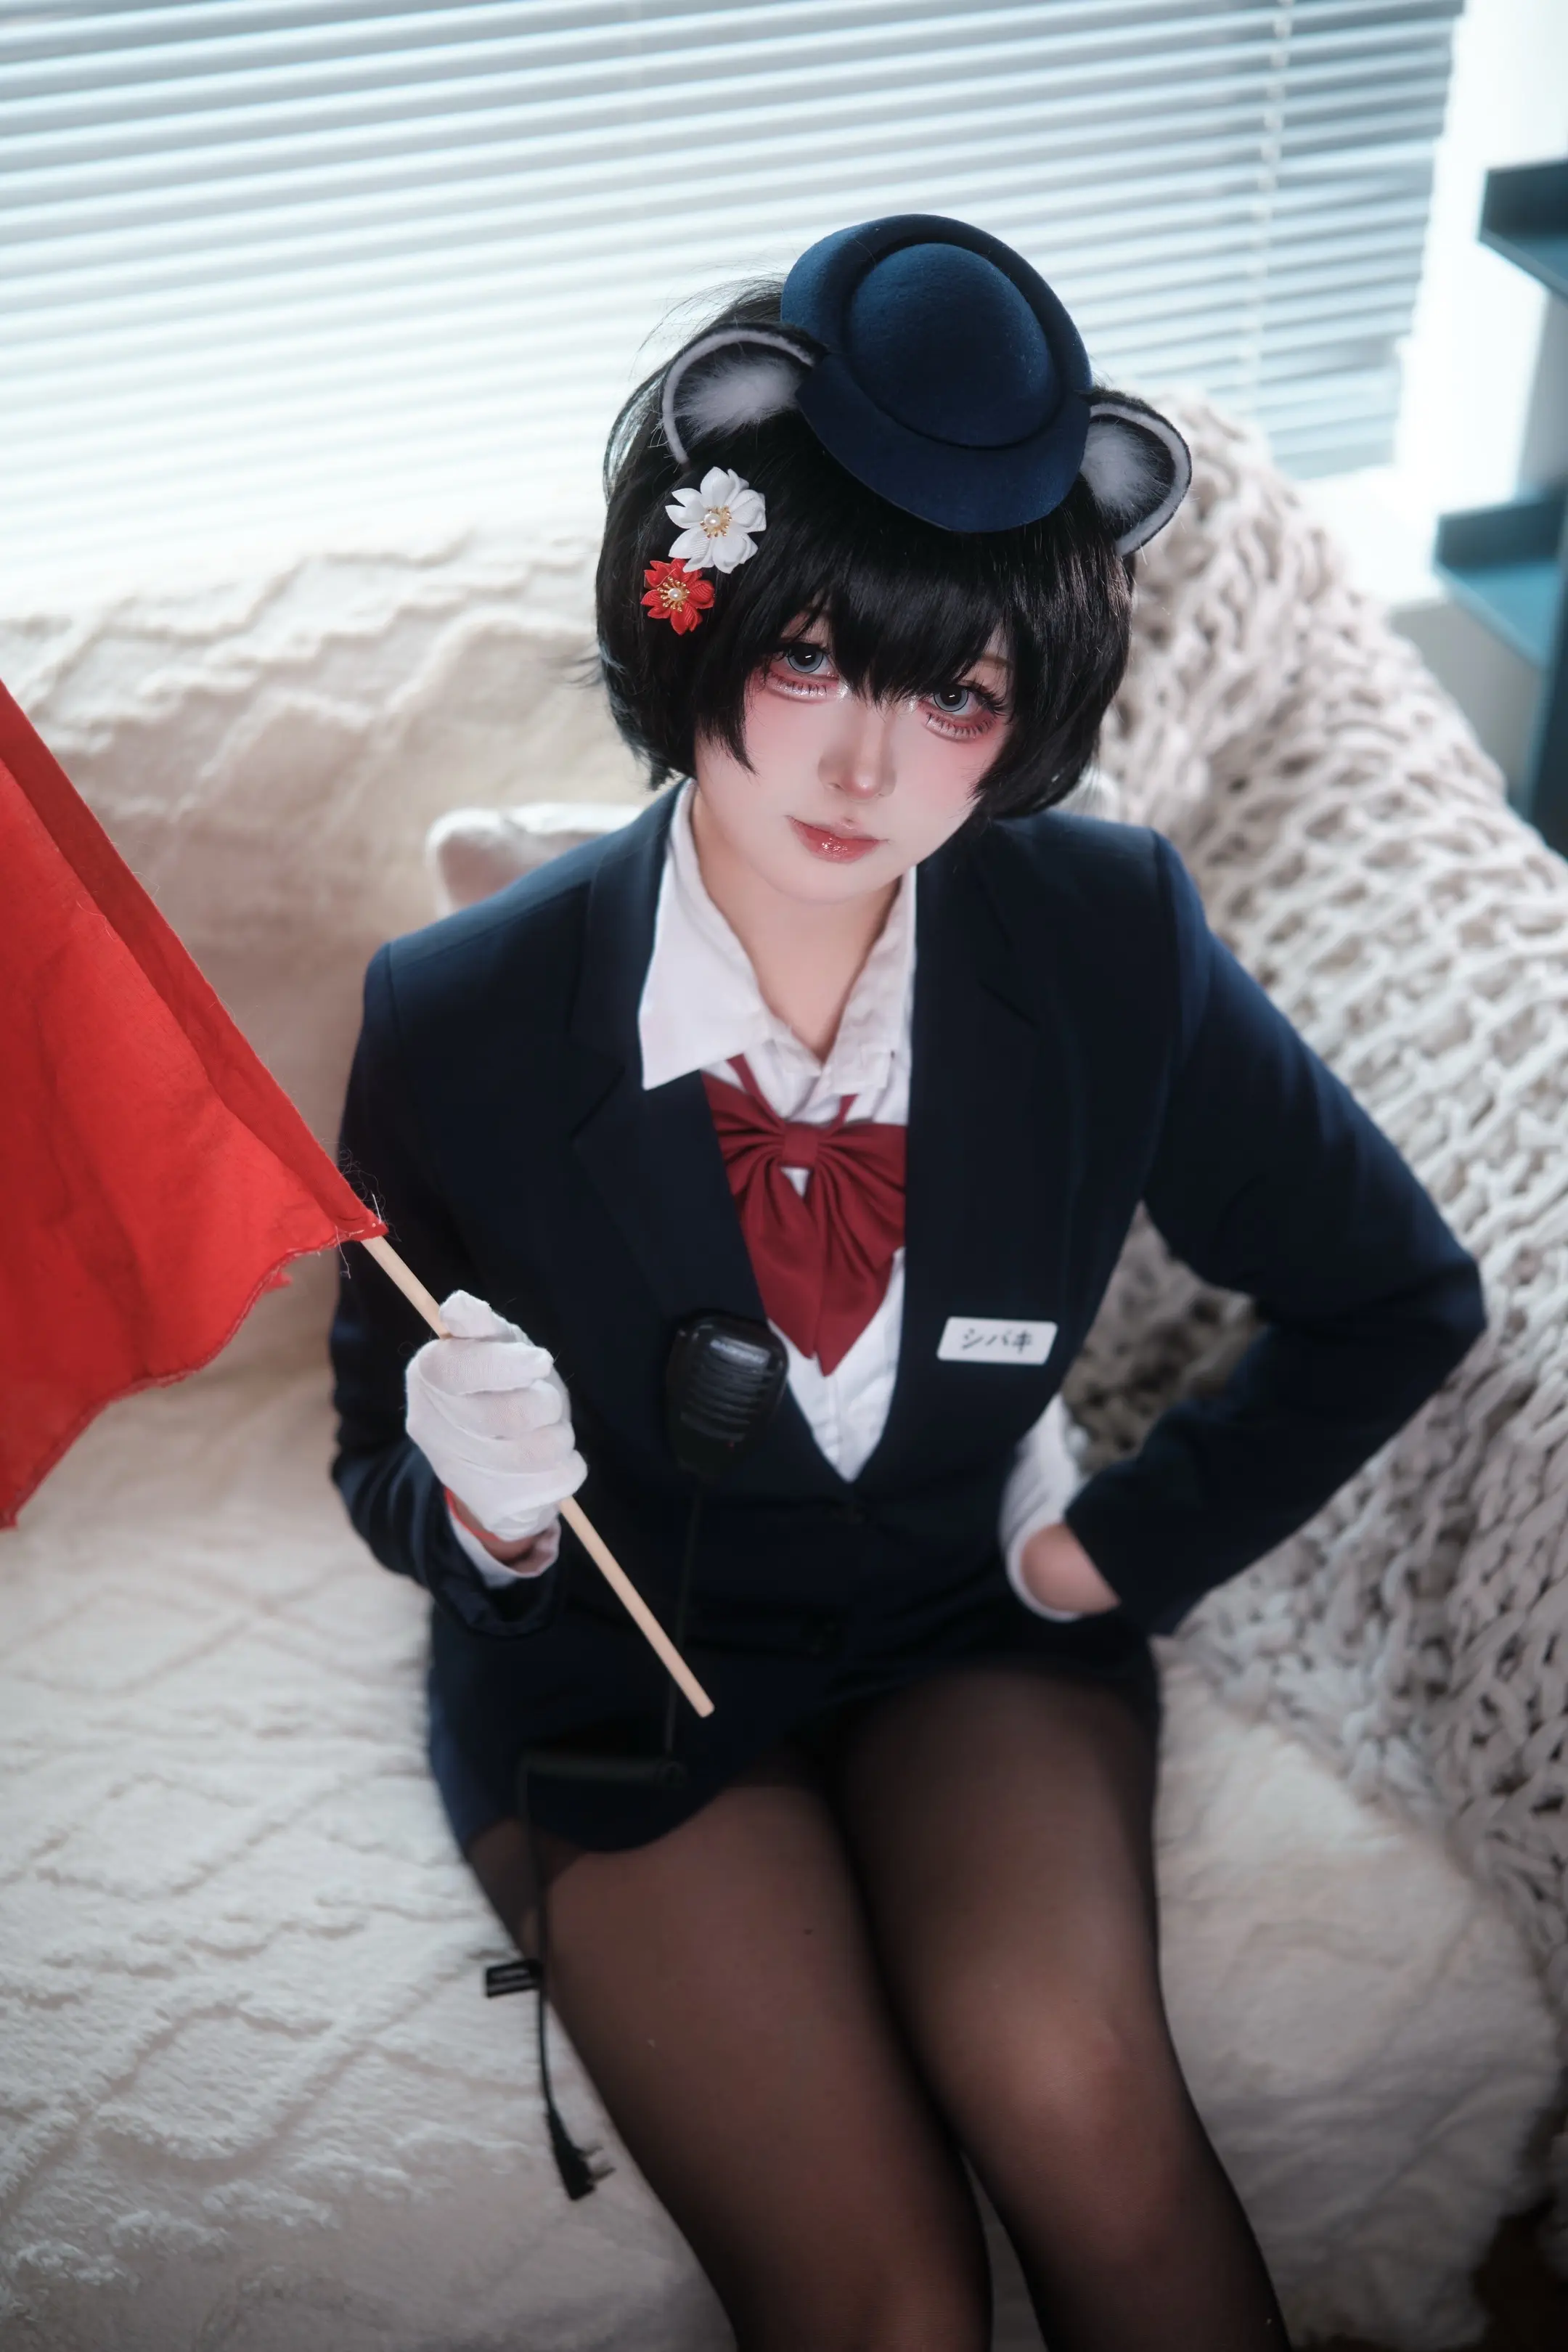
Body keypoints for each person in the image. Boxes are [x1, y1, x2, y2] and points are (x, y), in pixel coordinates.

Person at [329, 216, 1485, 2352]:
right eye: (810, 659)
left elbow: (1395, 1293)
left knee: (1084, 2110)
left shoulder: (1108, 938)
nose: (867, 770)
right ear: (691, 613)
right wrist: (483, 1510)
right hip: (622, 1670)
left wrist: (1112, 1551)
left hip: (971, 1624)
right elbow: (374, 1464)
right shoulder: (459, 1015)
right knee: (883, 2303)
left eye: (954, 694)